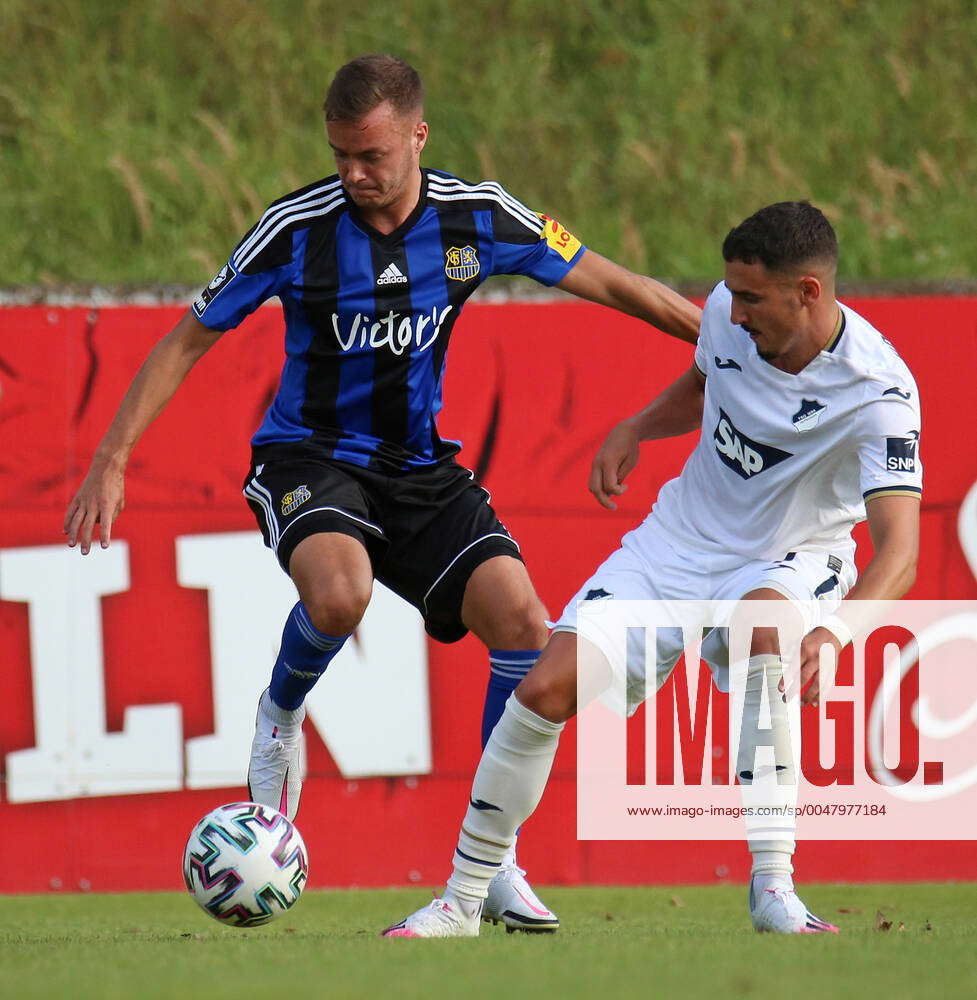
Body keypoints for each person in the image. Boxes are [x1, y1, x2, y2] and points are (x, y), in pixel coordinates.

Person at [62, 53, 700, 933]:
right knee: (341, 593)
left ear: (418, 136)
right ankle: (280, 714)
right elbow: (185, 339)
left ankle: (495, 863)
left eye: (373, 156)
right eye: (341, 156)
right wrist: (113, 456)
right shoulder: (297, 228)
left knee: (523, 628)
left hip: (418, 468)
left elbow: (614, 281)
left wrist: (724, 349)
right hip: (307, 457)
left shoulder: (480, 217)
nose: (355, 175)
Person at [383, 201, 923, 937]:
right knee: (545, 687)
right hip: (675, 544)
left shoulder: (878, 392)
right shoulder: (728, 318)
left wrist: (835, 636)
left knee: (766, 629)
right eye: (728, 293)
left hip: (789, 555)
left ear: (808, 292)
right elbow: (709, 382)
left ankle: (773, 889)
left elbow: (898, 550)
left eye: (751, 298)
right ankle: (462, 900)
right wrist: (637, 426)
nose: (731, 312)